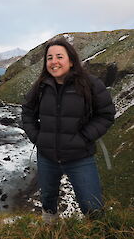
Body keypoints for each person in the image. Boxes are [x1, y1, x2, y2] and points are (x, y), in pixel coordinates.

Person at [21, 38, 115, 223]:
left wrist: (84, 137)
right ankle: (50, 228)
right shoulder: (41, 86)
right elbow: (27, 112)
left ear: (71, 60)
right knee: (48, 200)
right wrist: (37, 137)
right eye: (49, 58)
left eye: (59, 56)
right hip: (47, 157)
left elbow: (106, 115)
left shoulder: (90, 84)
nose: (54, 61)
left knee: (92, 205)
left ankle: (98, 231)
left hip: (80, 157)